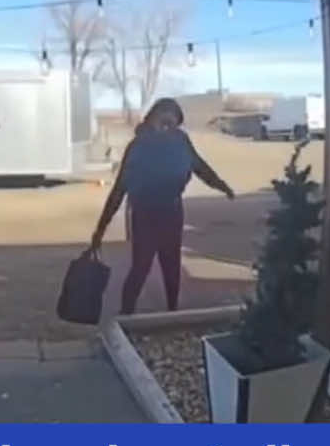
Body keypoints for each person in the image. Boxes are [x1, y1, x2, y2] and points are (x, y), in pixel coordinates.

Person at [90, 97, 234, 316]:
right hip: (144, 214)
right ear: (151, 120)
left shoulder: (181, 141)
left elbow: (201, 168)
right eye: (162, 121)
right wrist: (101, 228)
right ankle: (126, 316)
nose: (167, 127)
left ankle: (172, 313)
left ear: (177, 123)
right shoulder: (138, 146)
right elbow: (119, 189)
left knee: (171, 267)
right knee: (141, 267)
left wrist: (222, 186)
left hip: (172, 212)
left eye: (172, 122)